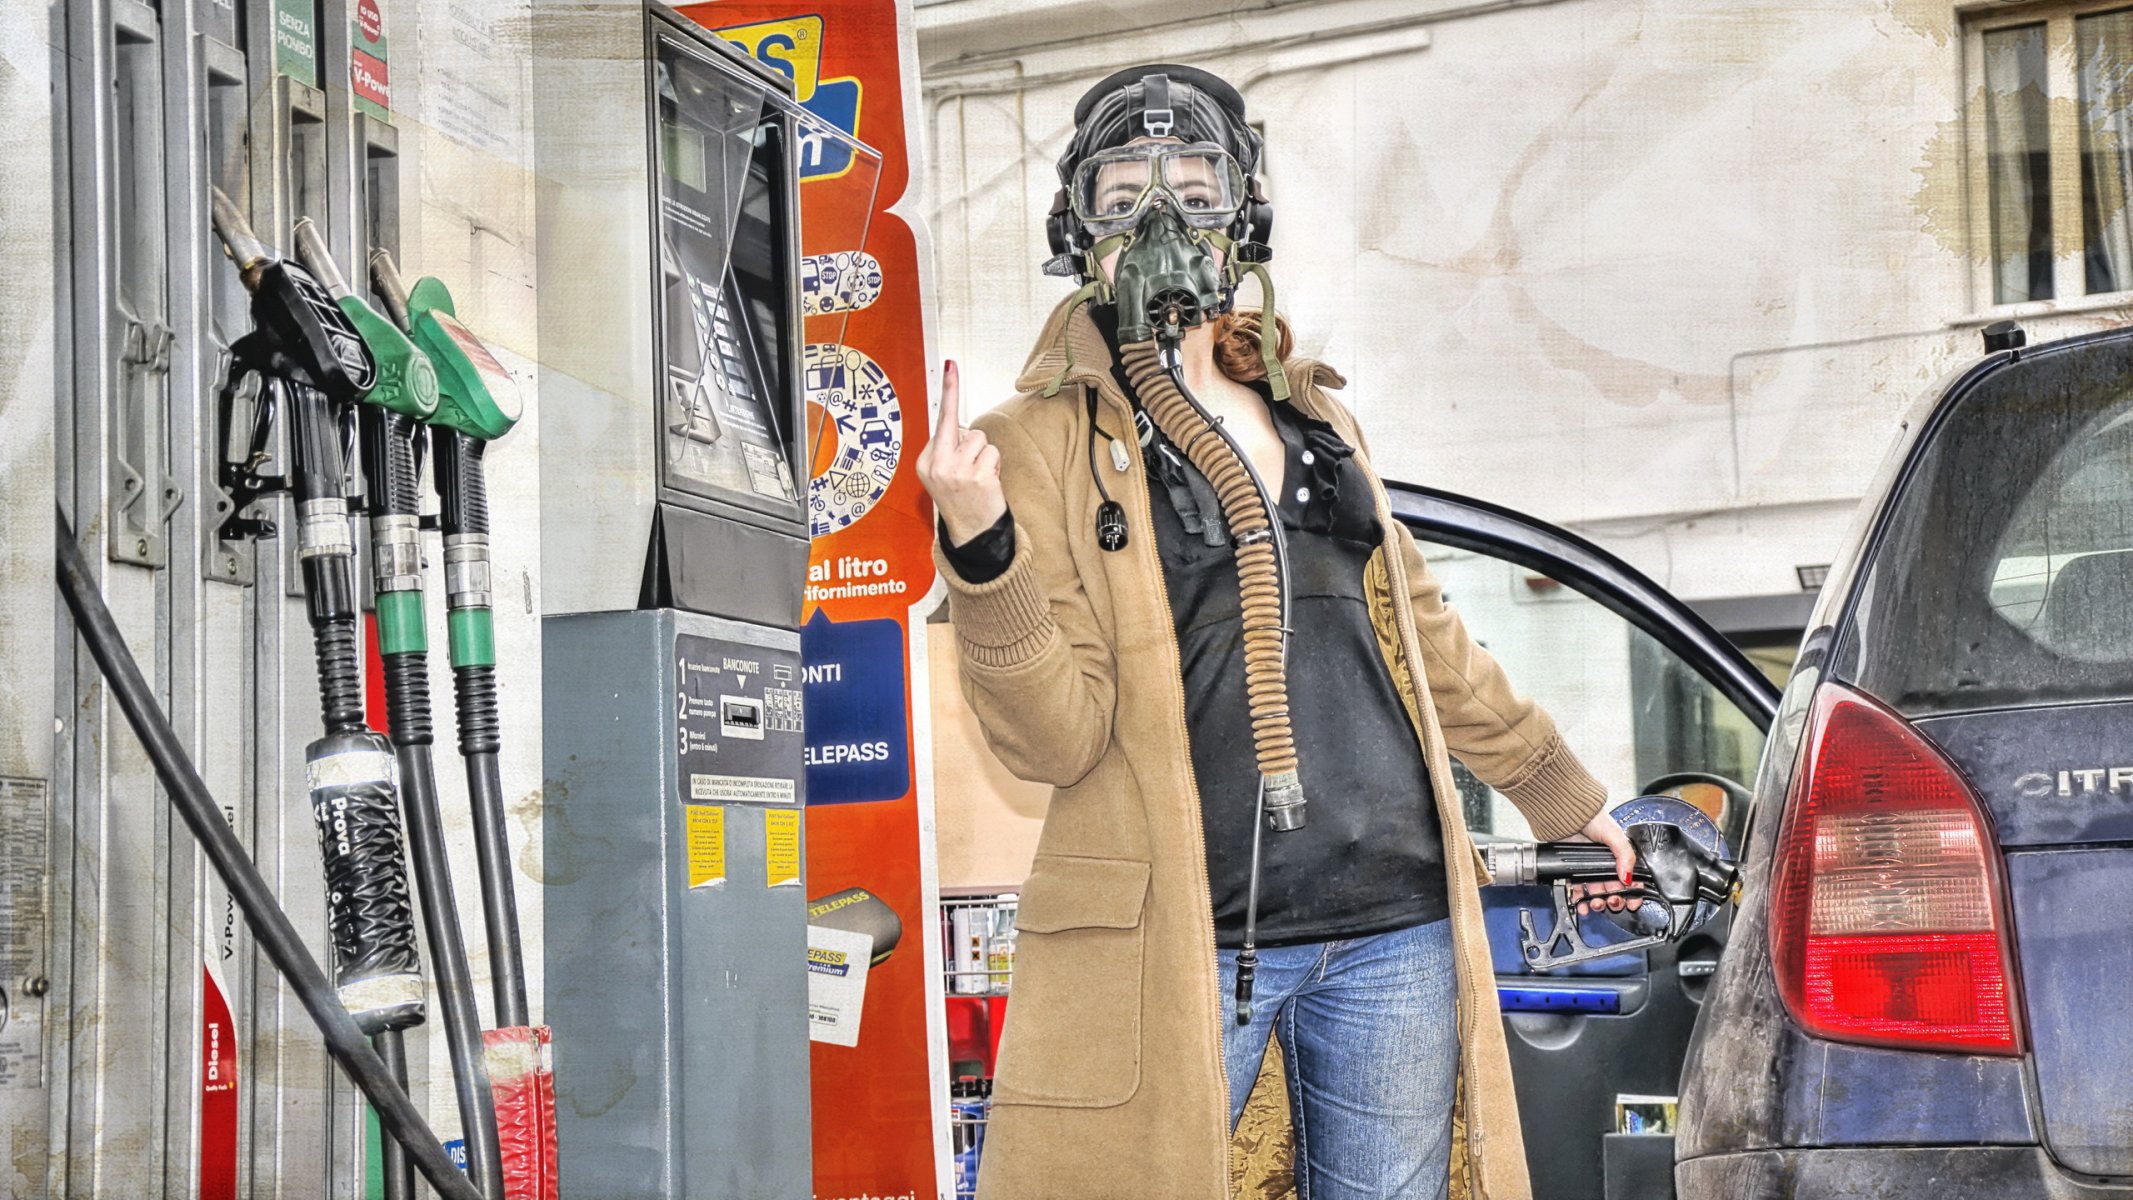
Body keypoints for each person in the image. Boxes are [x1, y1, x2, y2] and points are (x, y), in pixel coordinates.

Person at [918, 64, 1634, 1200]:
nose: (1162, 218)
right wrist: (983, 542)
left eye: (1196, 186)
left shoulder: (1316, 410)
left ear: (1242, 211)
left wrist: (1564, 793)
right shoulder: (1033, 440)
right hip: (1187, 943)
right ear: (1078, 227)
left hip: (1395, 928)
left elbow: (1423, 637)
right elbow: (1055, 742)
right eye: (1124, 194)